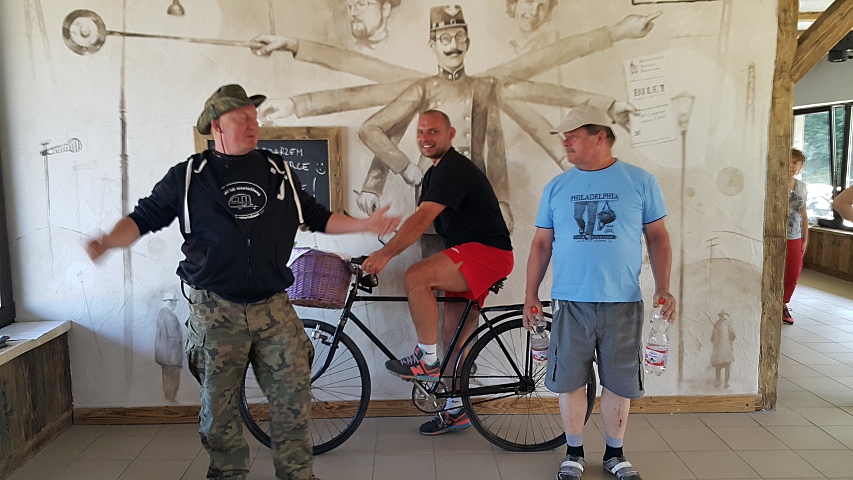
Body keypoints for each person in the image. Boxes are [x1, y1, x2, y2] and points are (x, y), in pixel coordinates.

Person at [85, 84, 399, 480]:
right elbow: (143, 218)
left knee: (294, 397)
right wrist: (109, 241)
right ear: (217, 125)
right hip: (215, 310)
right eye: (242, 119)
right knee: (219, 410)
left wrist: (365, 224)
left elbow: (317, 216)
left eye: (254, 118)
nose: (254, 125)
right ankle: (227, 473)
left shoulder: (278, 170)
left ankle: (298, 474)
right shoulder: (188, 177)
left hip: (273, 307)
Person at [524, 102, 675, 480]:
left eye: (573, 137)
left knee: (619, 383)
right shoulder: (557, 187)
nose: (565, 143)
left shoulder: (640, 181)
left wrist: (664, 287)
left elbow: (658, 237)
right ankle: (573, 452)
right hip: (570, 301)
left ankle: (614, 453)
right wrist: (530, 294)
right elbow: (541, 244)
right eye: (564, 138)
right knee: (570, 381)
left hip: (622, 301)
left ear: (600, 137)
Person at [361, 110, 513, 435]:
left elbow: (421, 220)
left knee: (416, 277)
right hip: (472, 254)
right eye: (420, 132)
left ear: (450, 134)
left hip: (486, 253)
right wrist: (383, 238)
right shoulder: (435, 173)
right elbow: (421, 220)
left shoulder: (452, 168)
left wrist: (385, 254)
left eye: (433, 131)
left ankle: (426, 360)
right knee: (453, 337)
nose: (425, 138)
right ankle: (457, 409)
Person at [783, 148, 808, 325]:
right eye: (788, 161)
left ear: (800, 167)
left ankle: (783, 304)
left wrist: (805, 238)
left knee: (793, 273)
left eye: (795, 162)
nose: (791, 166)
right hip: (774, 235)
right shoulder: (773, 183)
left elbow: (803, 214)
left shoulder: (802, 187)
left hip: (795, 236)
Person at [155, 291, 183, 402]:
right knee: (173, 377)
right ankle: (171, 398)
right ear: (170, 302)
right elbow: (175, 336)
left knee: (166, 377)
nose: (175, 304)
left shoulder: (161, 314)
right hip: (172, 355)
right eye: (174, 302)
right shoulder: (170, 316)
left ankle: (168, 397)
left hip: (163, 354)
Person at [711, 311, 735, 389]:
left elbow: (733, 336)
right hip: (718, 350)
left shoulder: (728, 325)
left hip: (726, 349)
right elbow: (712, 338)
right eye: (721, 315)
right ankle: (718, 382)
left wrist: (730, 336)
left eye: (724, 315)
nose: (723, 317)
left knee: (727, 366)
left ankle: (726, 382)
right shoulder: (716, 325)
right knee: (718, 367)